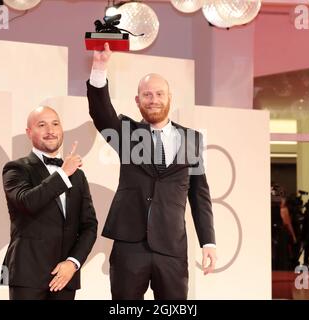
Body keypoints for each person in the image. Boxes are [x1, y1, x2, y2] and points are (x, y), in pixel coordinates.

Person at [86, 43, 217, 300]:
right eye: (147, 95)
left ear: (169, 98)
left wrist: (208, 242)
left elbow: (199, 195)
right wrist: (99, 67)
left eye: (159, 94)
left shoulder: (192, 140)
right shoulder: (127, 133)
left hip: (172, 248)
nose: (153, 100)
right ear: (137, 101)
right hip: (129, 245)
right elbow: (101, 114)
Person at [0, 106, 98, 300]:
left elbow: (89, 225)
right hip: (27, 275)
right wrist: (63, 174)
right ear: (29, 132)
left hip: (64, 278)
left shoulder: (78, 176)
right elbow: (27, 202)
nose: (50, 130)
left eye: (55, 124)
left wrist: (73, 263)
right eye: (42, 125)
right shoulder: (16, 169)